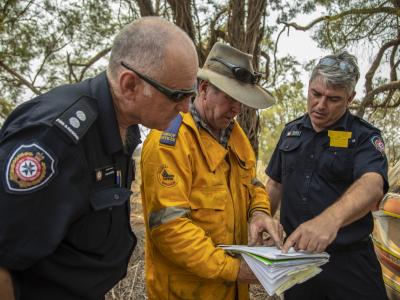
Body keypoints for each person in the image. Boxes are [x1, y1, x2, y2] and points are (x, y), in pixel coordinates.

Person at [0, 17, 198, 300]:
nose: (187, 108)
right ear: (129, 85)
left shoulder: (123, 128)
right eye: (178, 95)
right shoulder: (55, 139)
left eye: (190, 95)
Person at [140, 42, 283, 300]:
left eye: (241, 101)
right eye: (230, 97)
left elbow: (253, 185)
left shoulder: (236, 136)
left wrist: (260, 212)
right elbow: (170, 229)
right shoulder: (170, 141)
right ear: (204, 90)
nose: (237, 109)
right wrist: (234, 269)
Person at [266, 51, 389, 299]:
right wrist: (262, 219)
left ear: (350, 98)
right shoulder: (291, 132)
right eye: (316, 94)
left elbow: (373, 183)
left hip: (350, 262)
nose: (321, 105)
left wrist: (329, 221)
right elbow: (275, 184)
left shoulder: (364, 137)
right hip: (298, 261)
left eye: (333, 99)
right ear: (309, 87)